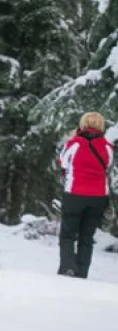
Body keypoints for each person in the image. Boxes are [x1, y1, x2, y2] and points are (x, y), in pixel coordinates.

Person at [57, 112, 114, 278]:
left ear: (81, 125)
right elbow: (108, 165)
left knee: (68, 233)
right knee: (87, 236)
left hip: (75, 194)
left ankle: (68, 267)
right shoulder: (107, 147)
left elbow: (63, 161)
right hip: (98, 197)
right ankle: (82, 272)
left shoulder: (74, 144)